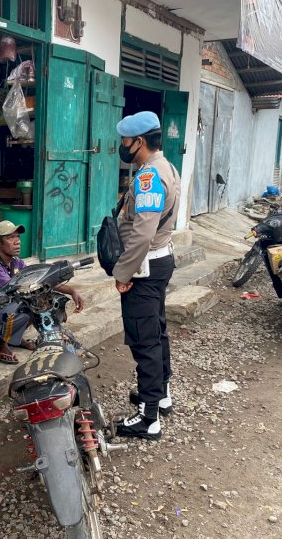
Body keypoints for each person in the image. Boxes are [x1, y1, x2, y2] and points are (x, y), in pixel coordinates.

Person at [112, 111, 180, 441]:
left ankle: (148, 417)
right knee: (157, 331)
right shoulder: (164, 166)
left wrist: (123, 273)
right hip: (159, 261)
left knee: (144, 339)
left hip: (146, 266)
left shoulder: (149, 176)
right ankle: (160, 394)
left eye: (125, 141)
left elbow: (142, 233)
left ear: (139, 141)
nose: (122, 146)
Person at [0, 220, 85, 363]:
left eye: (17, 237)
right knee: (28, 303)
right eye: (10, 238)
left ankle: (16, 339)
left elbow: (39, 279)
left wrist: (71, 290)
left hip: (0, 307)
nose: (17, 241)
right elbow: (19, 290)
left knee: (37, 300)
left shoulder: (16, 261)